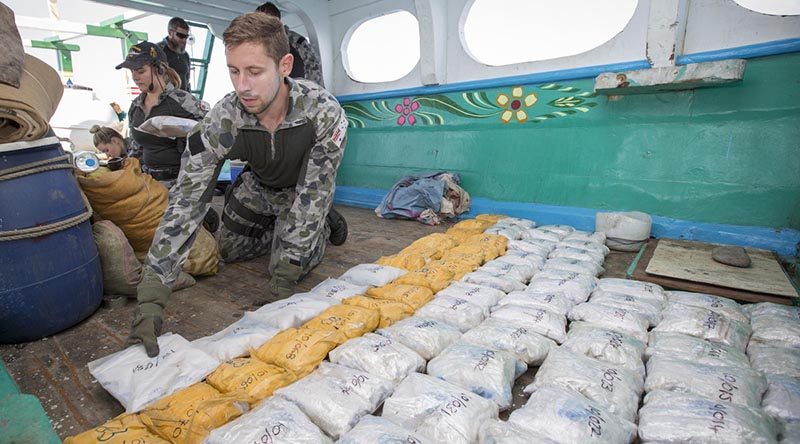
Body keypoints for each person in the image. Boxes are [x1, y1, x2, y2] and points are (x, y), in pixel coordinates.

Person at [130, 12, 349, 357]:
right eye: (234, 71)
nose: (242, 86)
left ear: (285, 65)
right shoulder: (222, 119)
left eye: (255, 71)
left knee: (288, 263)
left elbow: (315, 192)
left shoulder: (323, 112)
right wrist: (152, 296)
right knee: (227, 252)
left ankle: (319, 230)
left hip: (302, 194)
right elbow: (186, 203)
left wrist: (284, 278)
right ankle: (279, 229)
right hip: (258, 187)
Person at [116, 41, 208, 189]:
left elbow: (211, 136)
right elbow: (136, 148)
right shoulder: (136, 107)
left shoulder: (184, 102)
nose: (135, 77)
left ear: (160, 69)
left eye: (140, 71)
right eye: (132, 71)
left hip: (180, 184)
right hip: (147, 183)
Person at [255, 2, 324, 86]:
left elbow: (314, 66)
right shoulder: (259, 45)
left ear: (276, 21)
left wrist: (308, 92)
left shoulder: (296, 41)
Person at [157, 17, 192, 92]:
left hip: (182, 100)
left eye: (186, 37)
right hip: (163, 101)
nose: (184, 40)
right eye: (181, 36)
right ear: (170, 33)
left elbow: (187, 80)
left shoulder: (185, 56)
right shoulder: (157, 51)